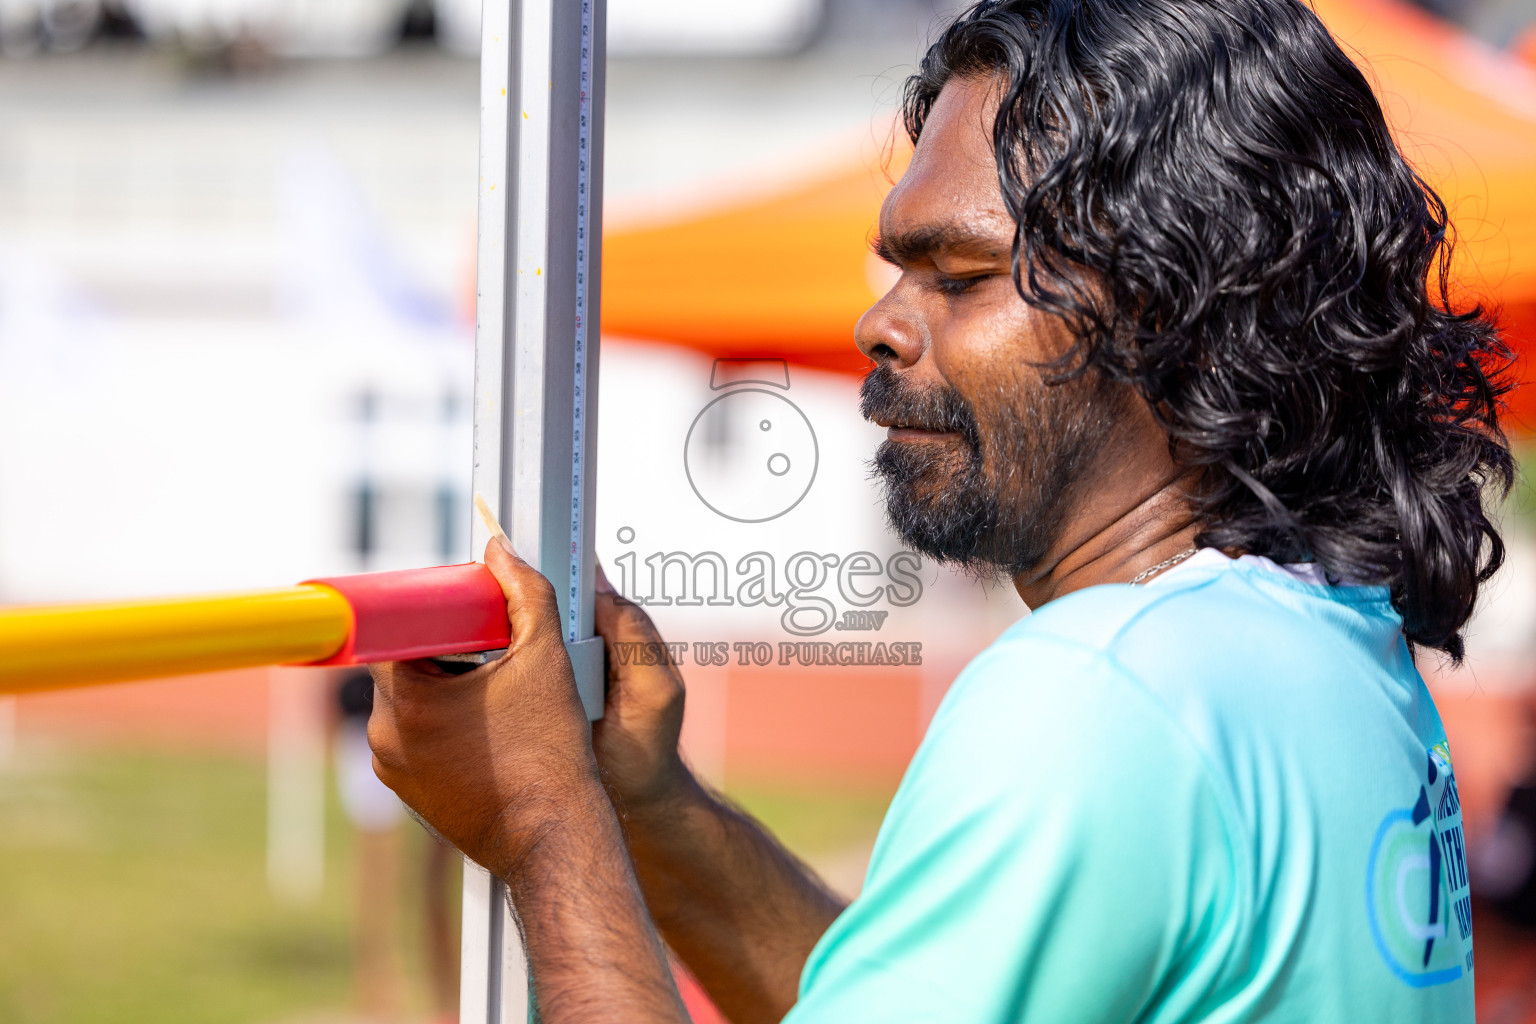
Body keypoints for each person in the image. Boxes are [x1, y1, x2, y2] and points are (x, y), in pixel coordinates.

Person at [365, 0, 1512, 1020]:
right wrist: (644, 804)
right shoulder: (1322, 643)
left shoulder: (1103, 691)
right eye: (897, 271)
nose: (882, 324)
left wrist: (546, 824)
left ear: (1181, 310)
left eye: (958, 276)